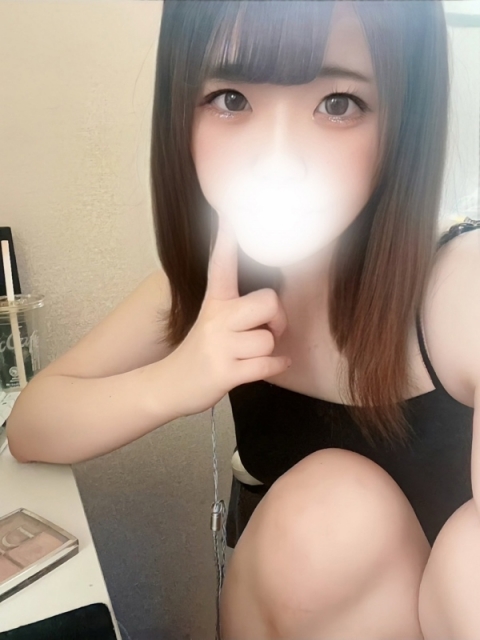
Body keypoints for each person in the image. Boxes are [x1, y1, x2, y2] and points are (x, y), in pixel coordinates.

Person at [7, 0, 480, 638]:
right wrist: (179, 379)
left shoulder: (458, 289)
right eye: (231, 99)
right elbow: (31, 426)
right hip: (284, 614)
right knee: (338, 511)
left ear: (404, 120)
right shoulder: (213, 289)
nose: (277, 158)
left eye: (338, 103)